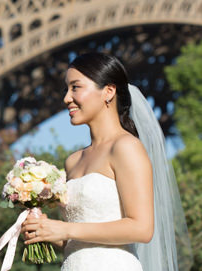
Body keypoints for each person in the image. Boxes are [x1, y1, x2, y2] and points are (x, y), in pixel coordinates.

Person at [20, 52, 191, 270]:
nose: (66, 98)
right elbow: (80, 243)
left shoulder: (126, 147)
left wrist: (65, 229)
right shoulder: (73, 161)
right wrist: (45, 230)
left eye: (75, 87)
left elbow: (142, 229)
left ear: (108, 91)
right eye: (66, 89)